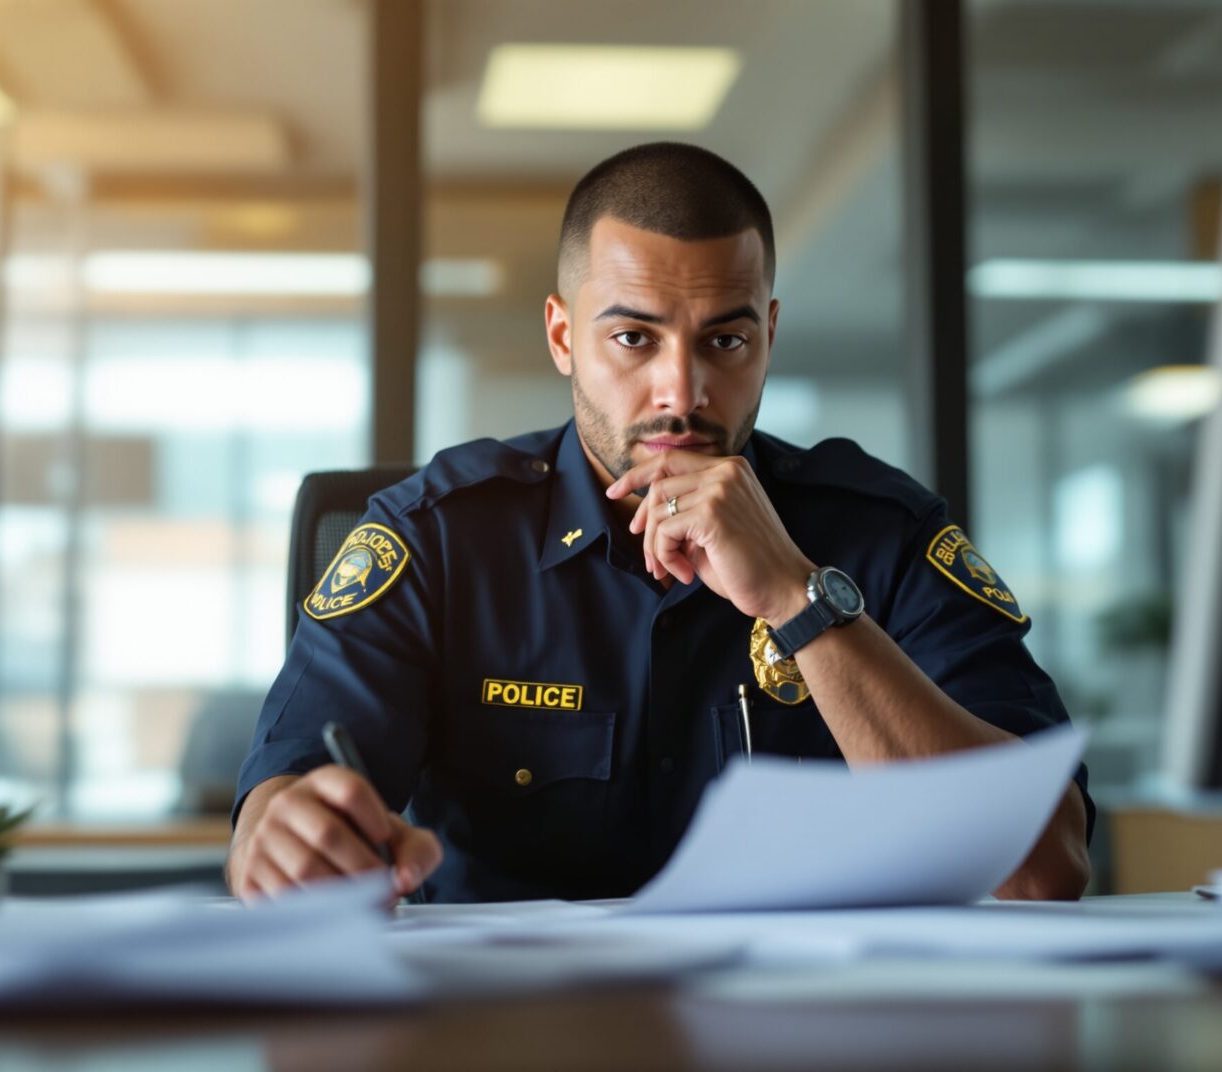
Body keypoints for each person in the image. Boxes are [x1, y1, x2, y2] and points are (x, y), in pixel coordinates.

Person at [228, 142, 1092, 904]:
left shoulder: (883, 534)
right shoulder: (438, 539)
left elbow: (1044, 867)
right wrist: (285, 837)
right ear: (564, 337)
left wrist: (801, 598)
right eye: (635, 340)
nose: (682, 392)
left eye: (725, 341)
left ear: (769, 335)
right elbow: (277, 811)